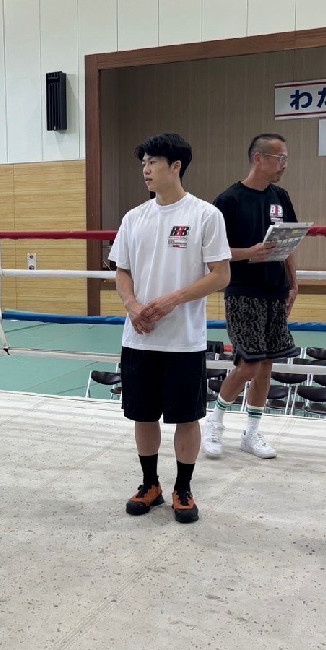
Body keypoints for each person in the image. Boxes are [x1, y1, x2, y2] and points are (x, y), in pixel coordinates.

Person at [109, 133, 231, 523]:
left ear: (176, 167)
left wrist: (172, 300)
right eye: (143, 162)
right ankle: (150, 484)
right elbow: (122, 271)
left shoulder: (205, 215)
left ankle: (183, 487)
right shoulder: (134, 218)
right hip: (140, 337)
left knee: (186, 417)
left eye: (153, 162)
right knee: (143, 415)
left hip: (184, 340)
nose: (145, 169)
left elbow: (221, 275)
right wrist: (133, 306)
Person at [202, 133, 299, 460]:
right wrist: (249, 252)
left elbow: (289, 241)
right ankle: (214, 422)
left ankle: (252, 432)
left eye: (286, 159)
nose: (284, 165)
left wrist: (294, 282)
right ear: (259, 158)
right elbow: (212, 251)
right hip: (243, 291)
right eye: (280, 159)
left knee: (266, 365)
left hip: (276, 290)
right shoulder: (228, 200)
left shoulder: (280, 196)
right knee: (249, 365)